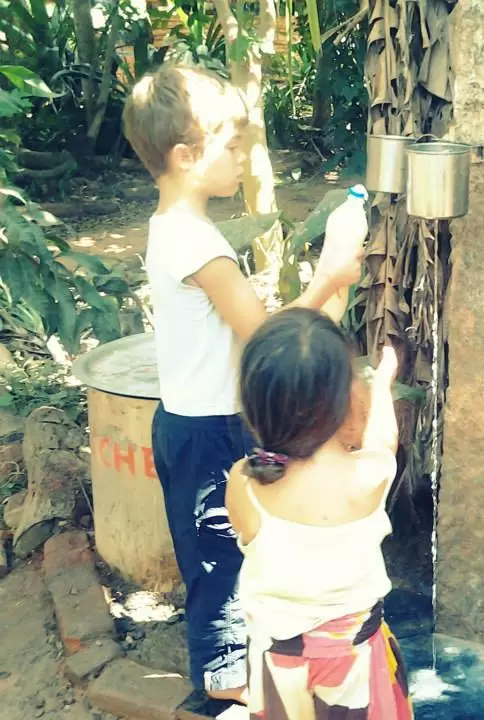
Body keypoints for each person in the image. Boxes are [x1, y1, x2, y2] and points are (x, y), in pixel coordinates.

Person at [121, 63, 364, 705]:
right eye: (231, 146)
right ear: (186, 155)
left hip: (197, 423)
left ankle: (244, 675)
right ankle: (229, 690)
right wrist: (331, 279)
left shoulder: (170, 227)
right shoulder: (199, 246)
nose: (242, 157)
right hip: (208, 432)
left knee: (231, 551)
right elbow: (265, 342)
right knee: (220, 560)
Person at [225, 308, 411, 719]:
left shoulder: (245, 482)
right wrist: (382, 382)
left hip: (276, 666)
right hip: (354, 664)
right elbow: (385, 439)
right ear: (346, 398)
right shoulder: (368, 476)